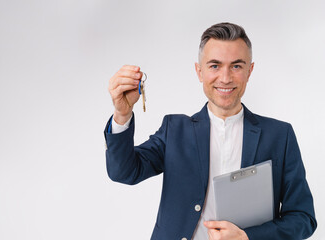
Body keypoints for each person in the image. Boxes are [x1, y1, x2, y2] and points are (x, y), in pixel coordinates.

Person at [104, 22, 317, 240]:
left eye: (236, 66)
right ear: (200, 71)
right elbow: (124, 172)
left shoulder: (280, 136)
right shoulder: (174, 130)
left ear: (250, 71)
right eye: (214, 66)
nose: (225, 78)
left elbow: (303, 218)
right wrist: (122, 114)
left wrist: (247, 237)